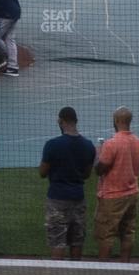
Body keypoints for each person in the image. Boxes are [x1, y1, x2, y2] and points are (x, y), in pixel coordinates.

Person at [37, 107, 96, 261]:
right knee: (77, 240)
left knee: (58, 240)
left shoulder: (52, 145)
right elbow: (87, 174)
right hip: (78, 198)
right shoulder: (88, 145)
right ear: (76, 121)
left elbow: (42, 172)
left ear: (60, 121)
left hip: (57, 198)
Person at [93, 107, 139, 261]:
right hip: (132, 194)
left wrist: (98, 153)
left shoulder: (111, 144)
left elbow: (99, 169)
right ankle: (125, 267)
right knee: (128, 233)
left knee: (106, 235)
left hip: (112, 197)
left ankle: (103, 271)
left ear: (116, 121)